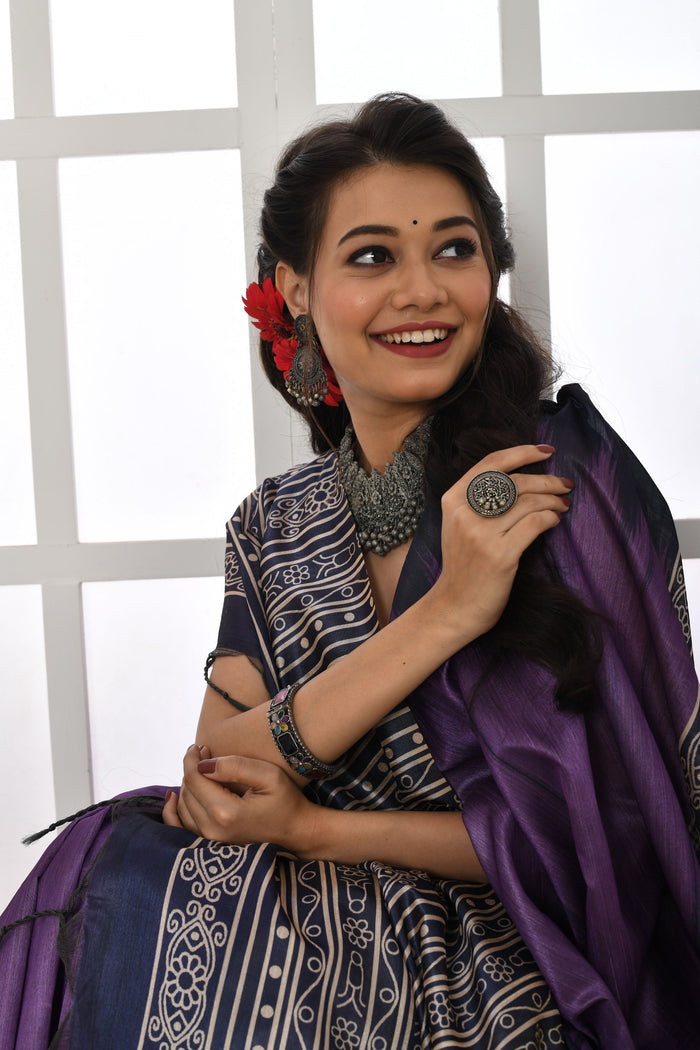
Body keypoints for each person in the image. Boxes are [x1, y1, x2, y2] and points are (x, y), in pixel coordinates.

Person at [1, 92, 699, 1050]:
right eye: (373, 257)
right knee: (120, 864)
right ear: (295, 289)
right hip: (302, 923)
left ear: (490, 273)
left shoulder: (556, 484)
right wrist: (447, 613)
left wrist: (323, 831)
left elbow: (609, 835)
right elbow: (219, 781)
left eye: (453, 250)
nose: (422, 290)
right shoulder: (275, 525)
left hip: (525, 949)